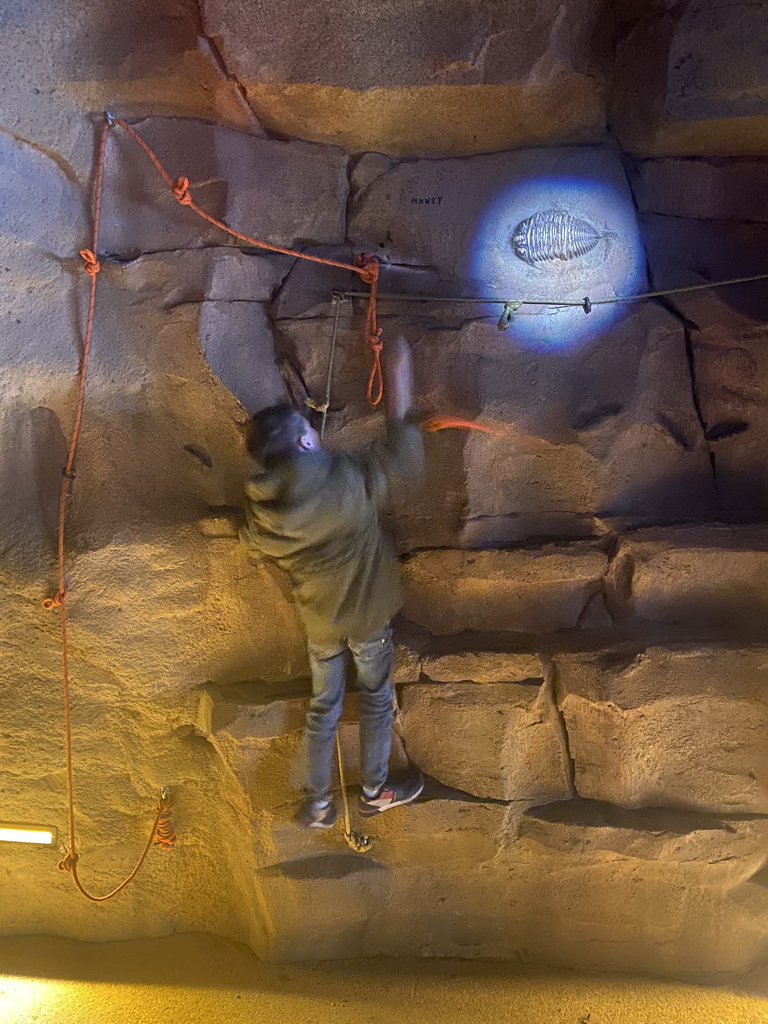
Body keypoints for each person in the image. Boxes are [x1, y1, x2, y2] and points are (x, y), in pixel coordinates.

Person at [239, 335, 425, 828]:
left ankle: (319, 804)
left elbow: (252, 541)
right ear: (305, 441)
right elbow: (402, 460)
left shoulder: (265, 511)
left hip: (319, 622)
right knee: (377, 698)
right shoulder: (344, 479)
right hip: (366, 617)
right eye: (311, 431)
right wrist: (400, 379)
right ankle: (374, 790)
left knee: (324, 706)